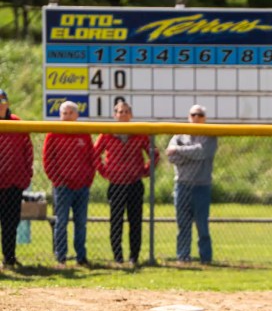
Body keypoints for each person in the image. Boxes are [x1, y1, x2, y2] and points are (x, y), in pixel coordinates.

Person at [94, 101, 159, 267]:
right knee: (116, 222)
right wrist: (106, 172)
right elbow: (95, 155)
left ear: (130, 115)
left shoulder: (139, 133)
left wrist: (145, 171)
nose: (122, 114)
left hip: (134, 183)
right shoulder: (107, 134)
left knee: (135, 222)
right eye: (119, 112)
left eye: (125, 112)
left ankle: (133, 257)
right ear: (115, 115)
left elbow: (154, 154)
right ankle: (118, 257)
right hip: (116, 183)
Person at [43, 100, 96, 267]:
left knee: (81, 223)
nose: (67, 116)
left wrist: (87, 180)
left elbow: (91, 159)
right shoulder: (53, 133)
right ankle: (61, 257)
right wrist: (57, 180)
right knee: (61, 222)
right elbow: (48, 160)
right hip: (62, 187)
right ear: (60, 116)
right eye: (64, 113)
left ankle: (81, 257)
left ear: (77, 115)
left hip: (81, 187)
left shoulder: (83, 133)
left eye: (70, 113)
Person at [165, 104, 217, 265]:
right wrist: (189, 153)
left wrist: (180, 151)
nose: (196, 118)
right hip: (182, 185)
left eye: (200, 115)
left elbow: (202, 152)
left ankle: (205, 258)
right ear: (189, 117)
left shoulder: (210, 135)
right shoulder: (179, 134)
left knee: (202, 226)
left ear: (205, 118)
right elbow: (171, 156)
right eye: (193, 114)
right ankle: (183, 257)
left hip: (202, 186)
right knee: (183, 225)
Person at [0, 89, 34, 269]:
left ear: (7, 103)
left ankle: (9, 258)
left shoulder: (16, 122)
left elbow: (28, 150)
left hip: (14, 181)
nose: (0, 105)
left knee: (11, 222)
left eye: (2, 101)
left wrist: (27, 173)